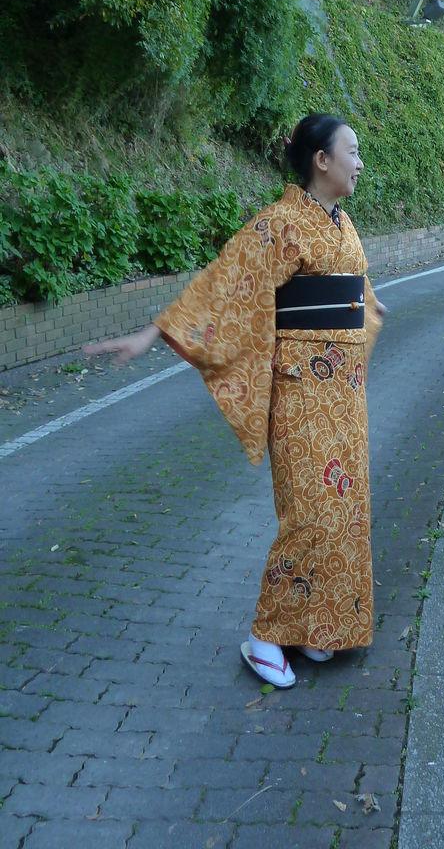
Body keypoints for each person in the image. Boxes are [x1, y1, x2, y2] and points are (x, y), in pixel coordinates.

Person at [84, 114, 386, 689]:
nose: (359, 162)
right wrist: (153, 333)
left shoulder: (344, 227)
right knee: (309, 513)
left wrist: (366, 312)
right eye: (352, 150)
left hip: (345, 398)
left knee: (345, 509)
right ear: (320, 160)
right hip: (301, 393)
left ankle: (315, 622)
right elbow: (228, 284)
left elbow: (356, 289)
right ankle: (267, 635)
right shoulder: (279, 224)